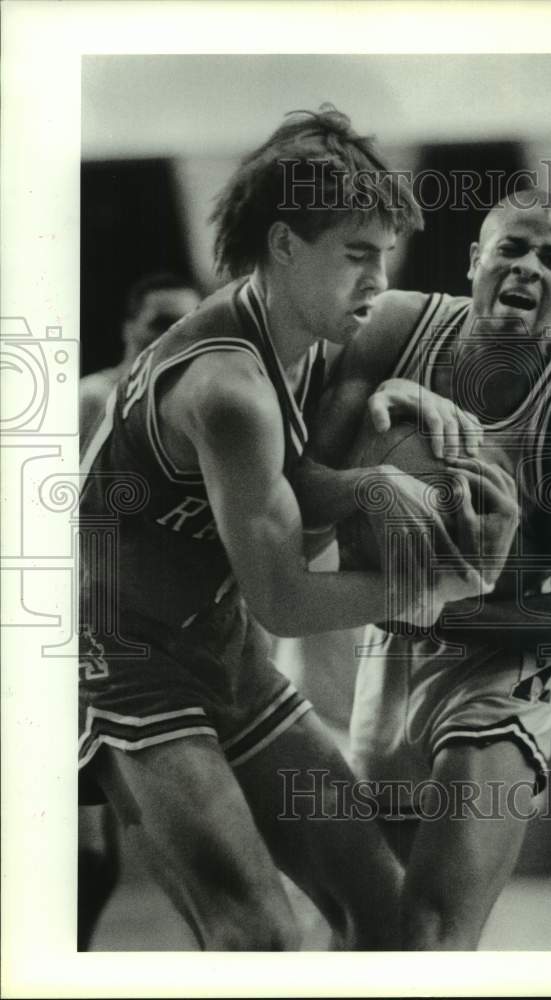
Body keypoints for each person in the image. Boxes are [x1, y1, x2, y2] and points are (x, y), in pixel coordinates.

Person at [78, 106, 499, 951]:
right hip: (121, 659)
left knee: (389, 920)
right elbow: (285, 601)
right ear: (283, 246)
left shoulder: (304, 332)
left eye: (386, 254)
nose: (379, 278)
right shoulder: (228, 389)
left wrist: (387, 452)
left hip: (217, 646)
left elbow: (291, 483)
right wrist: (432, 585)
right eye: (357, 255)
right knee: (260, 936)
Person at [304, 185, 551, 949]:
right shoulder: (394, 327)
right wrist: (390, 416)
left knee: (432, 932)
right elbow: (309, 491)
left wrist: (435, 599)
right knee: (374, 935)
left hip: (500, 669)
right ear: (475, 260)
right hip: (393, 652)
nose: (529, 268)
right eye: (513, 248)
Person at [78, 272, 202, 951]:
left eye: (185, 324)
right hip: (79, 642)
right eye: (159, 322)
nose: (171, 337)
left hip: (141, 647)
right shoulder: (91, 400)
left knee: (109, 849)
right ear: (129, 327)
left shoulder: (179, 417)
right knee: (88, 853)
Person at [79, 273, 202, 439]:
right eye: (162, 324)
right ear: (128, 328)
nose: (175, 335)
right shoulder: (94, 397)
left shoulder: (193, 404)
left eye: (187, 324)